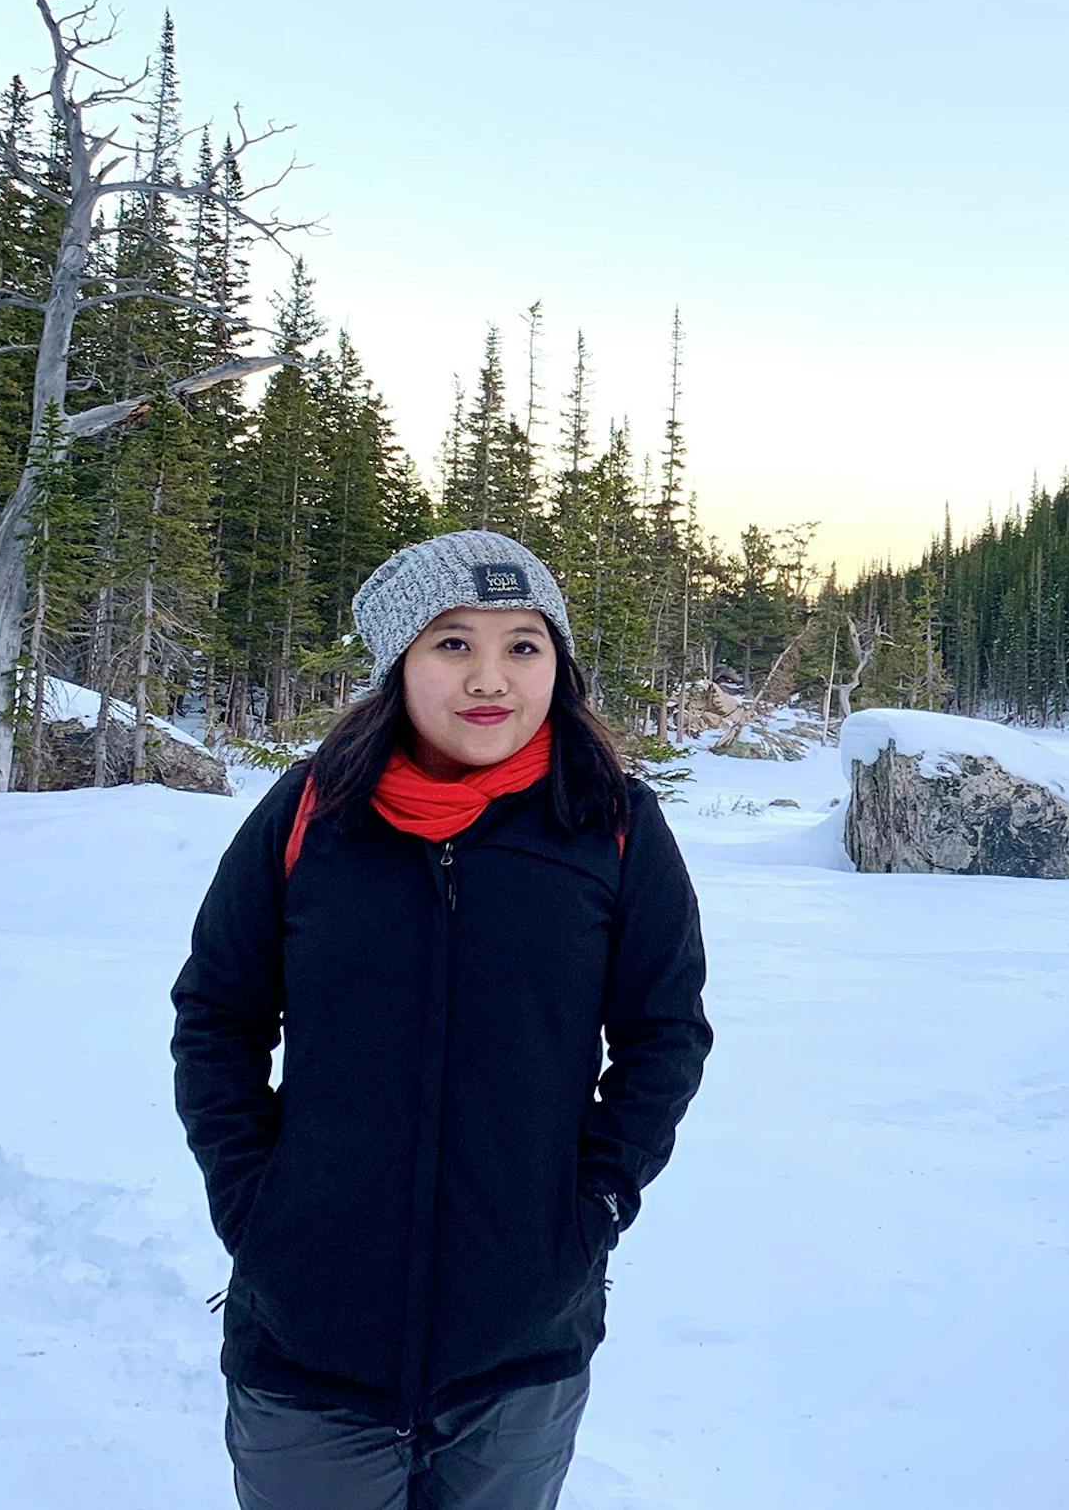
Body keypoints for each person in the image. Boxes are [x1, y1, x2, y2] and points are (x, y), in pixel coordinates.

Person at [171, 529, 714, 1509]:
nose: (490, 678)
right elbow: (218, 1014)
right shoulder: (310, 814)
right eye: (453, 644)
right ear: (399, 665)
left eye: (524, 644)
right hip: (308, 1345)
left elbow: (665, 1035)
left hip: (520, 1352)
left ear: (559, 664)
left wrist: (593, 1206)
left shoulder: (613, 826)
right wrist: (255, 1208)